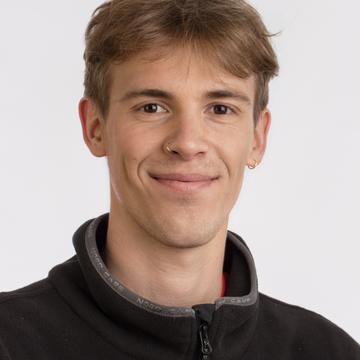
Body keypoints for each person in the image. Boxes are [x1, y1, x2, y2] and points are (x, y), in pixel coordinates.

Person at [0, 0, 359, 359]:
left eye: (220, 109)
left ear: (258, 138)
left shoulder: (329, 351)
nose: (187, 143)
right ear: (95, 127)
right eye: (151, 107)